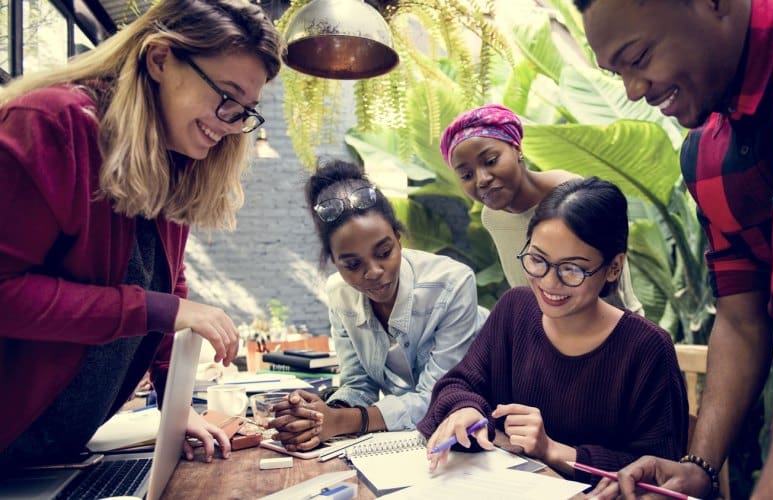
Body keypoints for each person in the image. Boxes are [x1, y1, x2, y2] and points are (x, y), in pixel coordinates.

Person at [573, 0, 773, 498]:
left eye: (638, 58)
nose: (634, 91)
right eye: (617, 73)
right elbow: (742, 320)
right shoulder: (705, 156)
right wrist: (698, 463)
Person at [0, 0, 283, 466]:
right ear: (159, 59)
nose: (232, 125)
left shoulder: (173, 158)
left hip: (52, 454)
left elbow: (166, 282)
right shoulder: (52, 124)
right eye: (226, 97)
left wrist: (176, 409)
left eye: (246, 111)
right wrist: (155, 309)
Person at [418, 177, 688, 480]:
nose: (548, 282)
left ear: (613, 267)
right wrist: (465, 409)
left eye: (572, 268)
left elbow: (660, 471)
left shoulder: (647, 348)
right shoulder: (515, 309)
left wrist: (554, 451)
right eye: (537, 259)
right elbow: (460, 384)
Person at [268, 160, 489, 452]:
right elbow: (359, 383)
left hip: (477, 430)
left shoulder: (452, 283)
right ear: (334, 262)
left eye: (384, 252)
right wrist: (318, 415)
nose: (372, 272)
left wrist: (343, 421)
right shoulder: (339, 293)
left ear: (398, 239)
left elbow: (439, 397)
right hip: (407, 443)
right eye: (352, 264)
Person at [441, 103, 644, 315]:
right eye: (466, 175)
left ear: (517, 148)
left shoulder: (575, 196)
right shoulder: (491, 217)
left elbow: (616, 286)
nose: (482, 179)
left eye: (491, 161)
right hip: (551, 334)